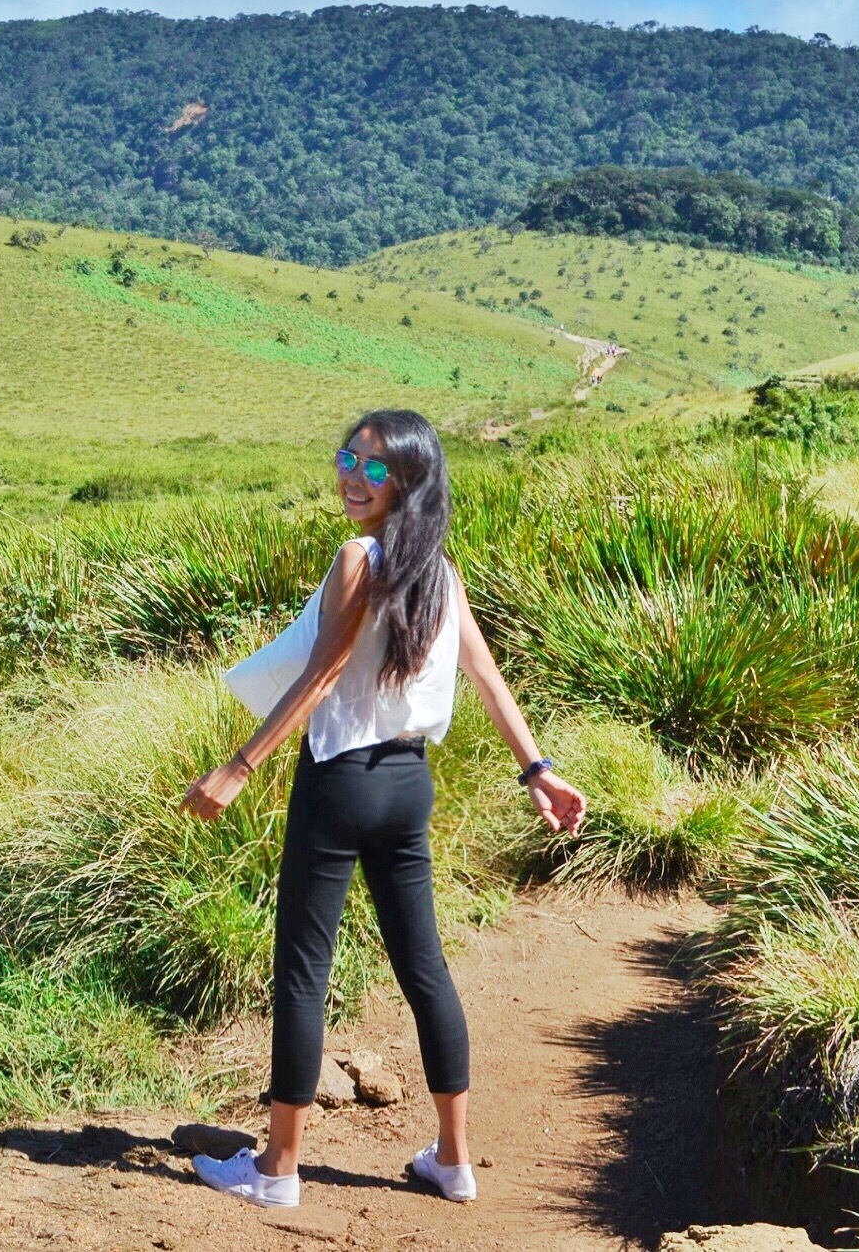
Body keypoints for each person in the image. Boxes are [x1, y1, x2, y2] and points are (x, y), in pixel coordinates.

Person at [178, 408, 587, 1209]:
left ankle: (278, 1168)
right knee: (424, 964)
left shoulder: (357, 557)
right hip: (408, 784)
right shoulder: (440, 567)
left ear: (409, 480)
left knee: (302, 967)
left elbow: (323, 674)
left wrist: (238, 767)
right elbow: (487, 677)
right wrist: (536, 767)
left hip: (339, 779)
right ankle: (454, 1159)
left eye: (373, 468)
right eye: (347, 459)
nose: (352, 477)